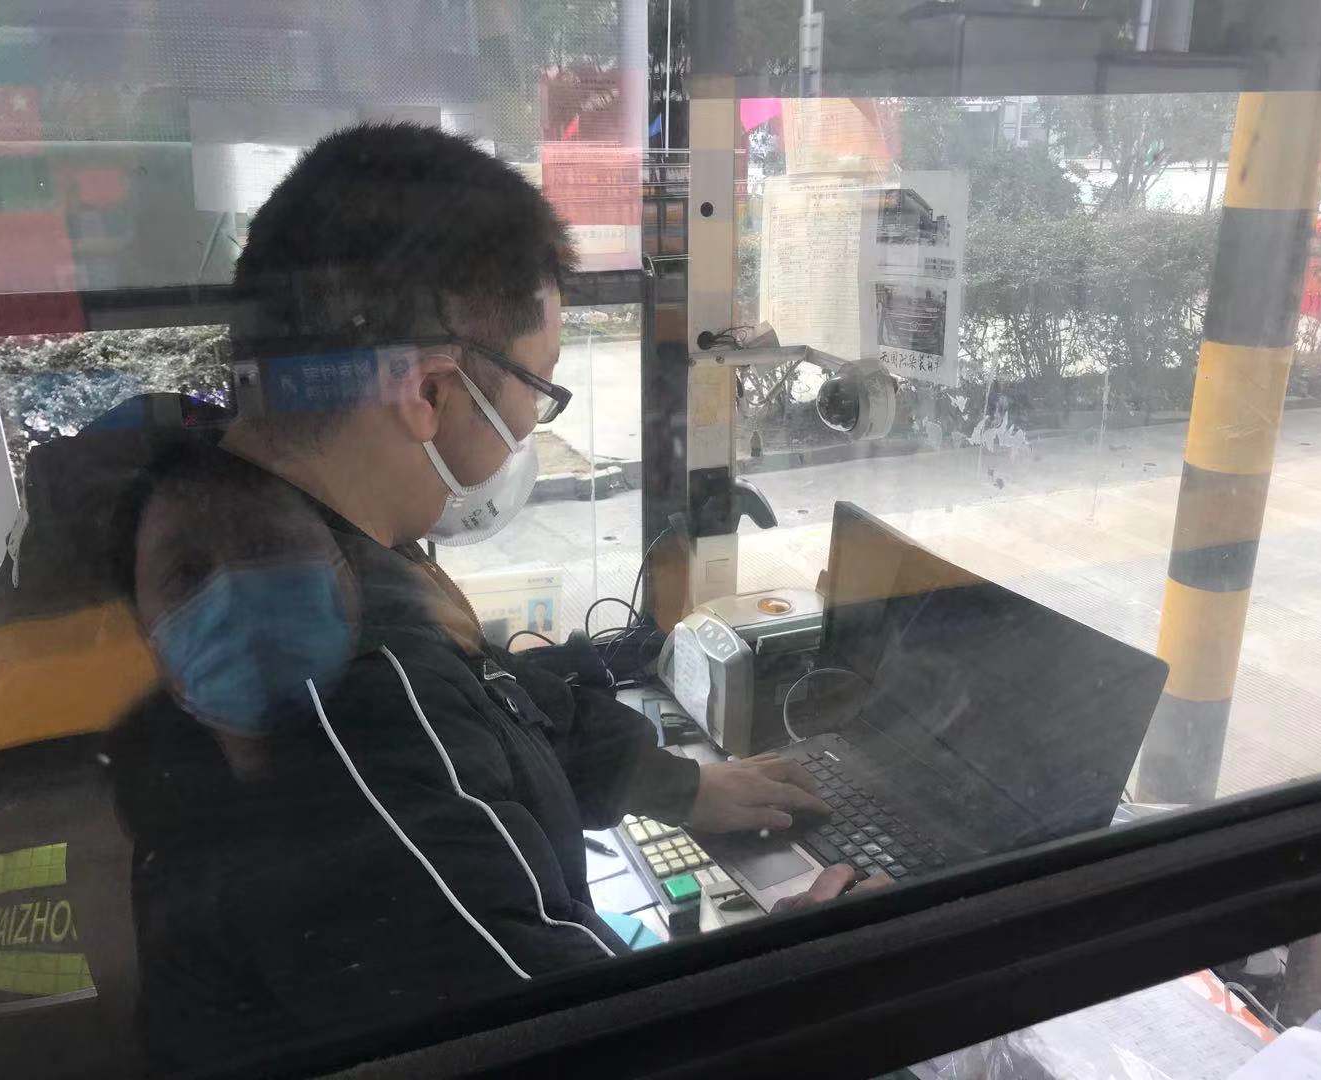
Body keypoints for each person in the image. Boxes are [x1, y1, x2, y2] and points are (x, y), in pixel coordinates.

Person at [89, 123, 876, 1071]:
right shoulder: (333, 678)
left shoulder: (255, 526)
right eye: (538, 390)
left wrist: (681, 786)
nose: (531, 424)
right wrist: (796, 965)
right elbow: (572, 1038)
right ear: (430, 391)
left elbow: (487, 701)